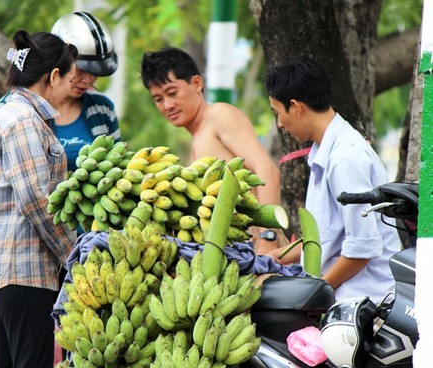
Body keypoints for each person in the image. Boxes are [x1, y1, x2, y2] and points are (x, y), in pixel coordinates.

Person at [0, 30, 78, 368]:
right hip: (27, 272)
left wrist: (0, 218)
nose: (72, 89)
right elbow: (35, 200)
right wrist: (74, 256)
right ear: (53, 76)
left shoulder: (4, 114)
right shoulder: (25, 121)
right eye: (71, 79)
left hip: (3, 272)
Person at [263, 56, 399, 304]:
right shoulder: (325, 152)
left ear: (296, 106)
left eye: (278, 113)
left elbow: (362, 249)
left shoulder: (345, 158)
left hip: (366, 303)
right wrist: (275, 257)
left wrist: (313, 293)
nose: (280, 124)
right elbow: (328, 239)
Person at [140, 47, 284, 253]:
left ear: (197, 83)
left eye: (172, 93)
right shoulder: (197, 137)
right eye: (158, 99)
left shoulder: (219, 116)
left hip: (260, 251)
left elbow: (267, 172)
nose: (168, 105)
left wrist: (267, 237)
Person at [50, 11, 121, 171]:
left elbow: (118, 165)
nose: (88, 81)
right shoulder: (26, 111)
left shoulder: (103, 108)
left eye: (95, 73)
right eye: (80, 70)